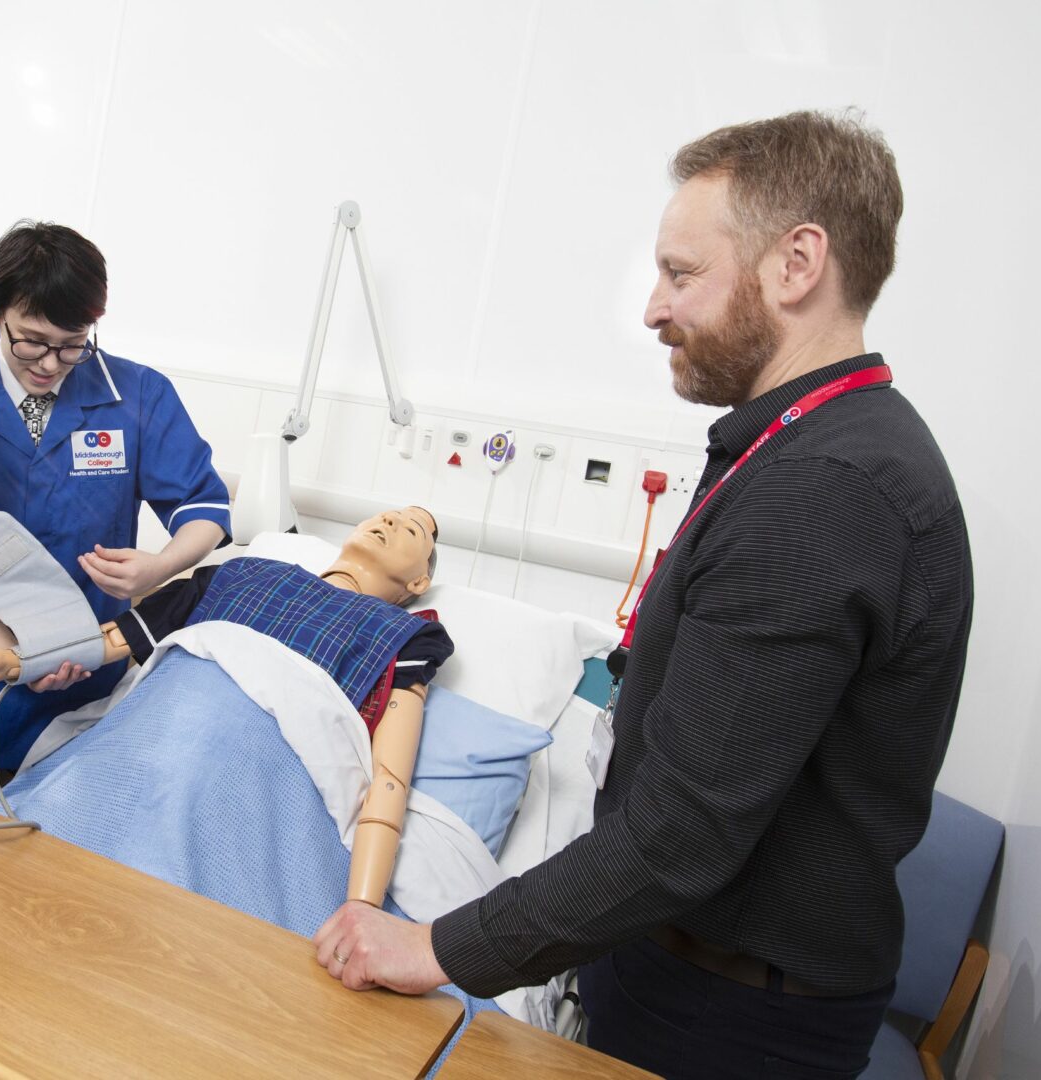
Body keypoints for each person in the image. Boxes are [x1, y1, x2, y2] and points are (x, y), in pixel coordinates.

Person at [312, 111, 973, 1079]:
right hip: (676, 970)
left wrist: (436, 948)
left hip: (729, 1021)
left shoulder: (823, 493)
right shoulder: (797, 448)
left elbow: (683, 835)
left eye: (681, 274)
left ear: (797, 264)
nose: (654, 310)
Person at [0, 507, 450, 902]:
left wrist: (361, 902)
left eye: (411, 530)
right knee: (6, 870)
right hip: (152, 736)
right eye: (387, 513)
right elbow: (111, 640)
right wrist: (11, 659)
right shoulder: (239, 572)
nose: (389, 519)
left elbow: (388, 776)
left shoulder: (407, 635)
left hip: (255, 770)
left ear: (418, 583)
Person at [0, 221, 231, 802]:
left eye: (72, 343)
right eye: (31, 339)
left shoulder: (138, 394)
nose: (50, 363)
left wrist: (159, 567)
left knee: (55, 865)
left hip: (90, 682)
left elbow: (205, 508)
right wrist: (16, 655)